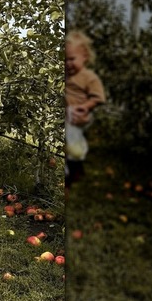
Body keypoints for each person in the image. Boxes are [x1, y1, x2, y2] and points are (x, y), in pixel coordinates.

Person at [65, 30, 106, 190]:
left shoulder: (89, 77)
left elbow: (98, 98)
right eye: (66, 59)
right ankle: (75, 167)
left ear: (85, 57)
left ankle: (73, 167)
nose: (68, 63)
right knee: (70, 141)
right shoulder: (68, 76)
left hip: (80, 114)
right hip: (69, 113)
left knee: (73, 143)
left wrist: (86, 106)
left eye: (72, 59)